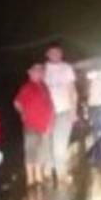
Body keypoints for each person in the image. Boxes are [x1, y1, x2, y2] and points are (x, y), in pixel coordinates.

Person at [14, 63, 54, 187]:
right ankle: (30, 178)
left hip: (45, 125)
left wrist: (51, 121)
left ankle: (38, 176)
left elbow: (50, 104)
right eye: (36, 71)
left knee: (41, 151)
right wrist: (23, 113)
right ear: (30, 73)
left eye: (40, 71)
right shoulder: (27, 87)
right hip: (31, 125)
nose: (38, 73)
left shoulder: (44, 86)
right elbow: (17, 102)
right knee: (31, 150)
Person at [43, 42, 78, 185]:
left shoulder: (66, 68)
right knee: (47, 143)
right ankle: (47, 172)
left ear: (61, 54)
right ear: (47, 54)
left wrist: (73, 111)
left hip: (64, 111)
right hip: (47, 113)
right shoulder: (43, 69)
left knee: (60, 144)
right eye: (52, 52)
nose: (55, 55)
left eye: (58, 52)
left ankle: (61, 174)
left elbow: (72, 91)